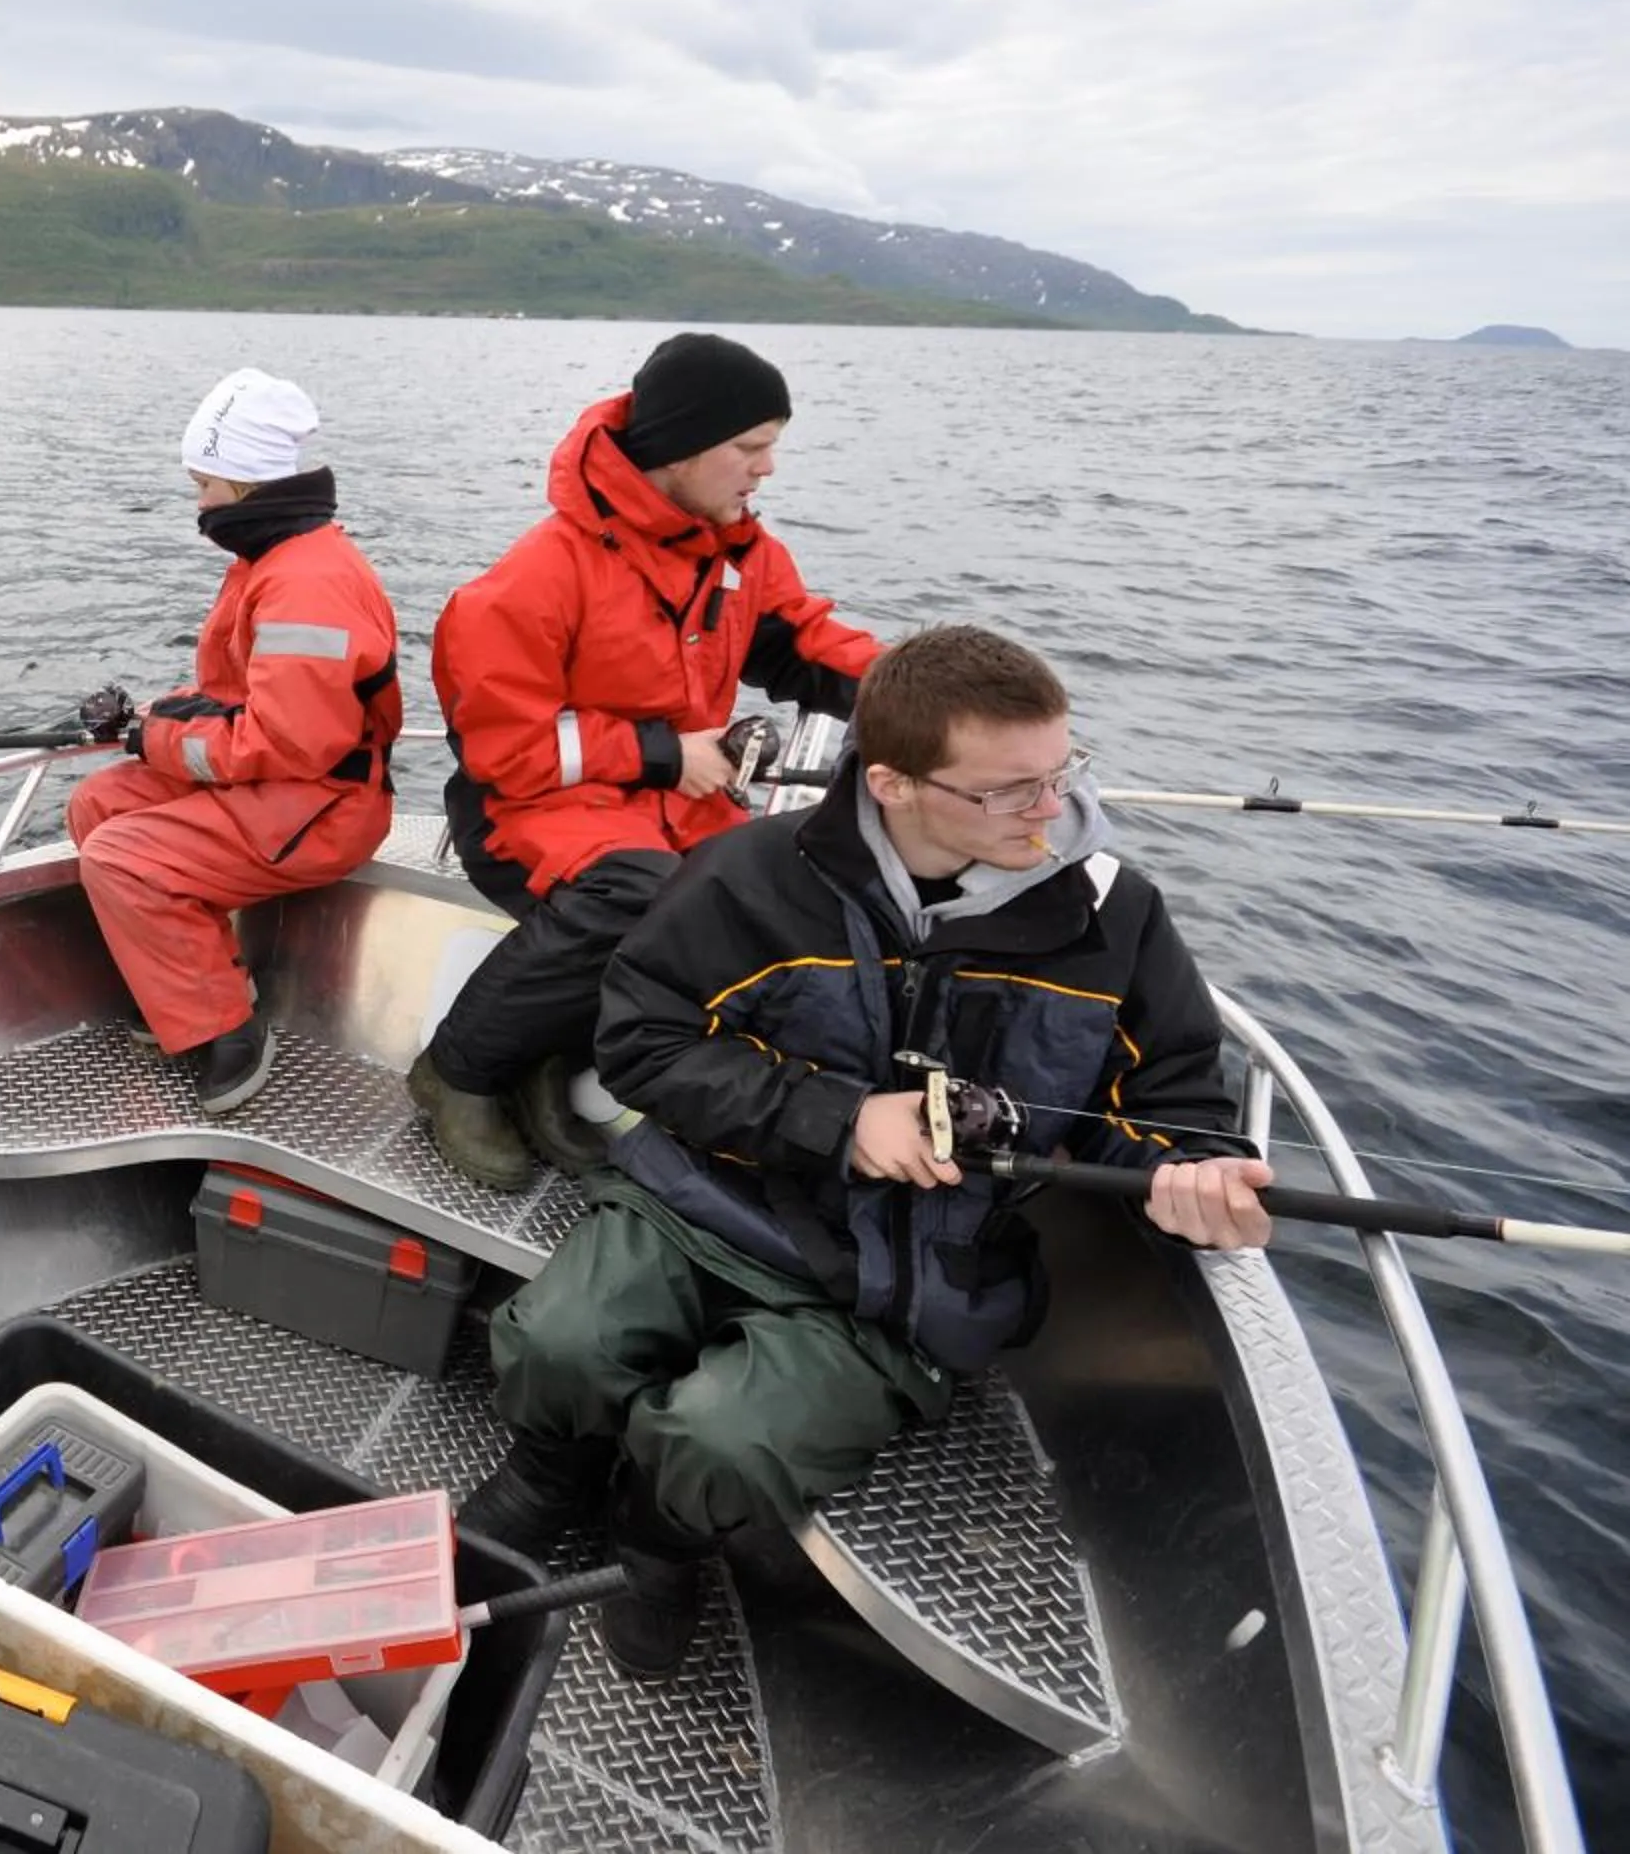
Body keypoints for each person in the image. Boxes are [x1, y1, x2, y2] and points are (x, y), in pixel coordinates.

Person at [459, 625, 1274, 1676]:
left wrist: (1193, 1170)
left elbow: (1171, 1099)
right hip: (701, 1200)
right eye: (1009, 789)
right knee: (558, 1341)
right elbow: (644, 1042)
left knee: (725, 1441)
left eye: (1063, 771)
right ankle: (546, 1474)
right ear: (890, 782)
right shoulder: (747, 874)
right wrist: (839, 1120)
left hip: (905, 1273)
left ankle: (656, 1540)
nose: (1053, 809)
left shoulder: (1119, 920)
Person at [409, 332, 880, 1187]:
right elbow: (500, 751)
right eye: (750, 446)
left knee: (779, 891)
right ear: (681, 447)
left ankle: (548, 1062)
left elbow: (804, 645)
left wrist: (925, 695)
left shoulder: (737, 555)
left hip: (668, 803)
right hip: (528, 809)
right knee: (643, 893)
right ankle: (459, 1070)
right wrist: (662, 756)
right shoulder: (537, 578)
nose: (768, 468)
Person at [67, 368, 402, 1114]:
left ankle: (229, 1028)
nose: (199, 504)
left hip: (323, 802)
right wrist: (157, 714)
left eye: (204, 485)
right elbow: (243, 695)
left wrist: (158, 740)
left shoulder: (305, 582)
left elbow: (286, 742)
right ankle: (194, 983)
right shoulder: (275, 559)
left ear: (246, 483)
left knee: (123, 858)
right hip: (286, 783)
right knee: (98, 806)